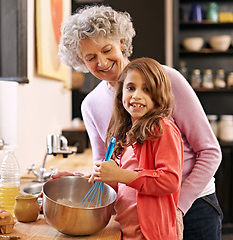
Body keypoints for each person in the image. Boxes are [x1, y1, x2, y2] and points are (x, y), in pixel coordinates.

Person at [55, 4, 223, 240]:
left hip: (194, 205)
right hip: (143, 214)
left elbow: (210, 152)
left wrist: (178, 207)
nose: (101, 62)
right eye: (91, 57)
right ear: (80, 61)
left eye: (106, 50)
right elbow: (108, 171)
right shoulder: (90, 105)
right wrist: (78, 181)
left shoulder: (167, 79)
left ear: (122, 42)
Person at [89, 57, 183, 239]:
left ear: (159, 95)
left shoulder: (162, 128)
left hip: (151, 234)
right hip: (128, 231)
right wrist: (99, 176)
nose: (136, 95)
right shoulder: (127, 133)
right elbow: (127, 184)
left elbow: (170, 180)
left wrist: (119, 175)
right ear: (121, 93)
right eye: (131, 88)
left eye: (146, 89)